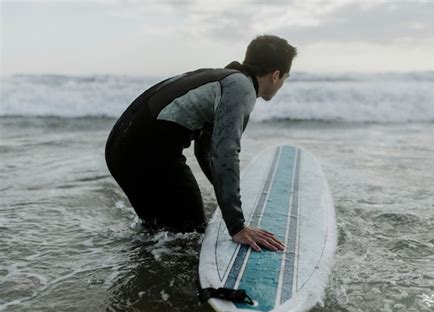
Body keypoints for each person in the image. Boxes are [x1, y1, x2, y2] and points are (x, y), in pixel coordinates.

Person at [105, 34, 297, 252]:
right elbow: (224, 152)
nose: (282, 84)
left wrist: (229, 198)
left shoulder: (221, 78)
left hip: (119, 150)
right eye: (285, 78)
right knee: (191, 233)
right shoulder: (241, 88)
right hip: (146, 153)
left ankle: (145, 275)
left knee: (162, 234)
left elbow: (204, 150)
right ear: (276, 75)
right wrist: (238, 226)